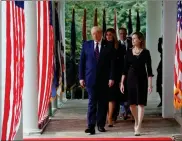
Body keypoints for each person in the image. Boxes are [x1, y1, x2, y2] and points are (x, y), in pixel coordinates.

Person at [79, 26, 115, 135]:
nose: (95, 35)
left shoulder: (108, 45)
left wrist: (111, 77)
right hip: (90, 79)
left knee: (102, 103)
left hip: (104, 80)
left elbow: (112, 64)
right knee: (91, 103)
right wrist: (81, 77)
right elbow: (82, 63)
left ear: (101, 34)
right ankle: (90, 126)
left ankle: (100, 125)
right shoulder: (86, 45)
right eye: (93, 33)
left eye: (97, 33)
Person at [120, 32, 153, 136]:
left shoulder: (146, 52)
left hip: (142, 79)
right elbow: (124, 69)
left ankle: (139, 126)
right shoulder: (128, 52)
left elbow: (150, 70)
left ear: (140, 40)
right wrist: (122, 83)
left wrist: (150, 85)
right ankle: (136, 120)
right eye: (132, 39)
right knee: (132, 104)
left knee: (141, 103)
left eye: (135, 38)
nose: (133, 40)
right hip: (130, 79)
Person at [104, 28, 124, 127]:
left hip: (115, 74)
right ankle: (108, 116)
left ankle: (111, 117)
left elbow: (121, 63)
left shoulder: (119, 46)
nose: (108, 36)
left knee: (112, 97)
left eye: (110, 34)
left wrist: (121, 78)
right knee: (105, 97)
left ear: (114, 35)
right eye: (107, 34)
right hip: (103, 75)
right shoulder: (103, 45)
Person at [113, 27, 132, 121]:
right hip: (118, 72)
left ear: (126, 33)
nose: (122, 35)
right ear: (118, 34)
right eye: (120, 33)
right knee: (118, 92)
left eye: (124, 33)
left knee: (128, 91)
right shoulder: (115, 44)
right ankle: (116, 113)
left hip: (129, 71)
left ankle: (128, 112)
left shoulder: (131, 43)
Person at [156, 37, 163, 107]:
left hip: (162, 69)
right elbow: (159, 49)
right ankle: (162, 100)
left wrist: (160, 42)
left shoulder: (166, 51)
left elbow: (160, 49)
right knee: (158, 85)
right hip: (160, 69)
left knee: (159, 85)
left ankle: (163, 100)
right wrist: (159, 42)